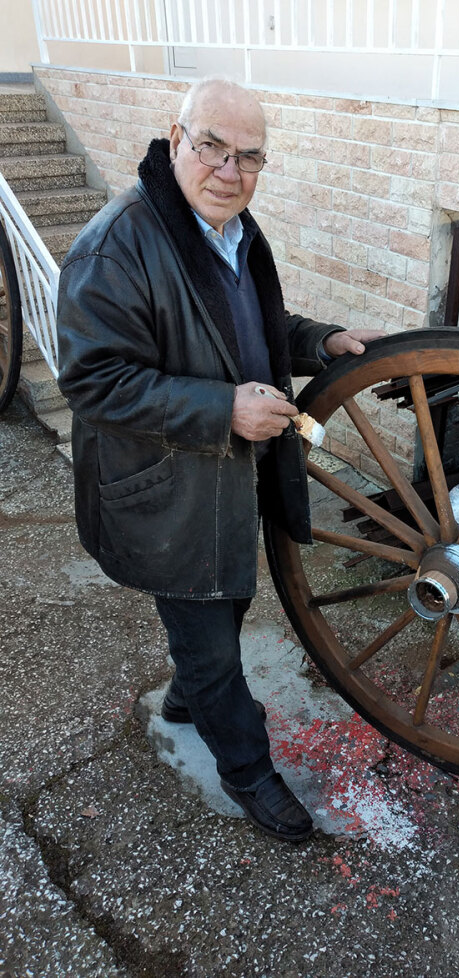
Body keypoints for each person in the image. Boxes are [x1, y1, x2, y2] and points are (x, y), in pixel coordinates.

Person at [56, 77, 383, 843]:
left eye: (249, 156)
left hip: (224, 480)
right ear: (176, 139)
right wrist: (222, 409)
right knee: (209, 634)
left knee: (225, 604)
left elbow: (249, 324)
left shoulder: (229, 227)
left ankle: (187, 696)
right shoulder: (115, 245)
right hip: (167, 493)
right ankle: (247, 769)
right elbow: (92, 380)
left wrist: (320, 340)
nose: (230, 171)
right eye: (212, 147)